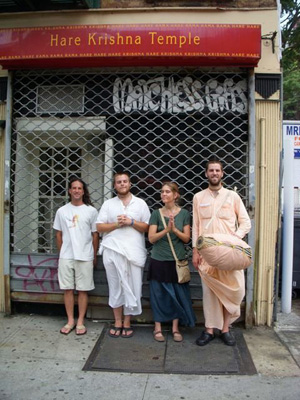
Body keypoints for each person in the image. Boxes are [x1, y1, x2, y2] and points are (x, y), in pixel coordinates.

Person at [192, 159, 251, 346]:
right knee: (209, 293)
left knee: (234, 290)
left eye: (217, 170)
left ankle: (225, 329)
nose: (214, 173)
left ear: (222, 174)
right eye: (211, 170)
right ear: (206, 174)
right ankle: (209, 329)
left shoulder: (232, 196)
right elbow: (196, 226)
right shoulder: (198, 197)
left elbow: (245, 222)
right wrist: (195, 251)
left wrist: (236, 237)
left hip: (229, 253)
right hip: (207, 254)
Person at [96, 172, 150, 338]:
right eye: (119, 182)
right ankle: (117, 321)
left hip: (133, 252)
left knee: (133, 287)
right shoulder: (108, 204)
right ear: (114, 186)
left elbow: (147, 227)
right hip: (112, 251)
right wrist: (117, 224)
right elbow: (99, 227)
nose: (122, 184)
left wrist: (131, 222)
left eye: (125, 181)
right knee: (115, 286)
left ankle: (127, 322)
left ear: (130, 184)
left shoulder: (140, 204)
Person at [148, 182, 196, 342]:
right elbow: (151, 238)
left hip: (177, 261)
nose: (164, 194)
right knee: (158, 295)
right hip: (158, 260)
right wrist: (166, 230)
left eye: (167, 192)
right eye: (162, 192)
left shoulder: (184, 214)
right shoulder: (156, 213)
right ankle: (158, 327)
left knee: (177, 295)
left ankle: (175, 328)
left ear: (176, 195)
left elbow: (187, 238)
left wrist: (175, 230)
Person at [53, 177, 99, 336]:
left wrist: (94, 256)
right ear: (69, 191)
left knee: (83, 290)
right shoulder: (62, 211)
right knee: (67, 289)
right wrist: (62, 253)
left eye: (80, 188)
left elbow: (95, 235)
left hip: (85, 256)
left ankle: (80, 321)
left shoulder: (91, 211)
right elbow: (58, 234)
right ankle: (70, 320)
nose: (77, 191)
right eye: (74, 188)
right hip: (66, 256)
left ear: (83, 191)